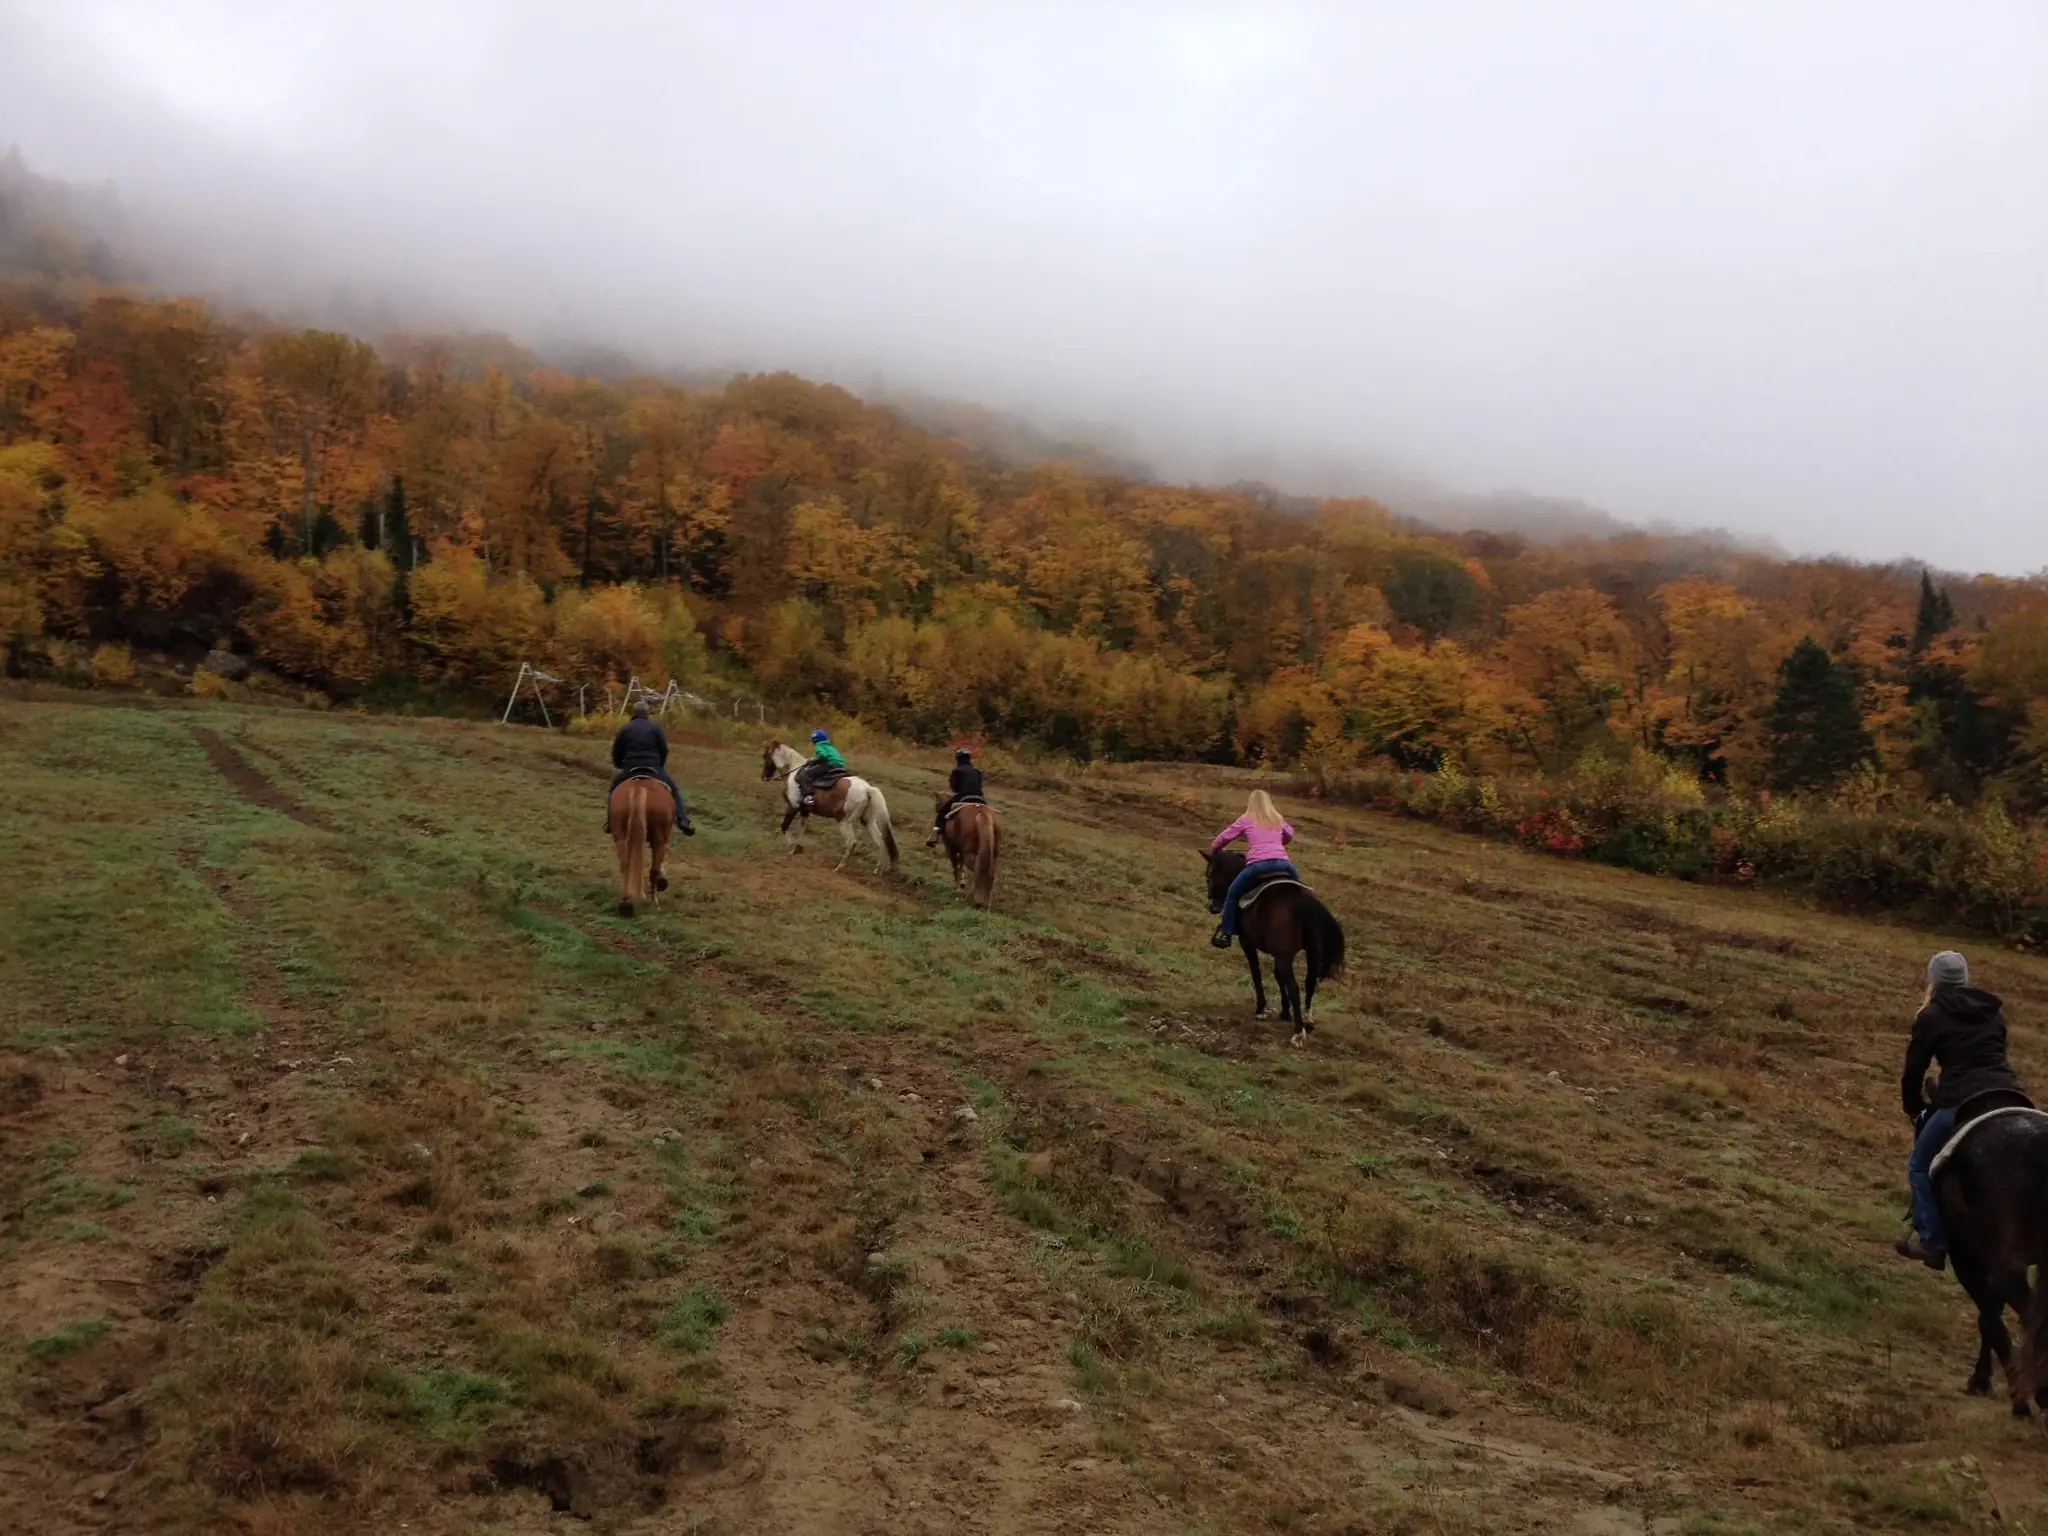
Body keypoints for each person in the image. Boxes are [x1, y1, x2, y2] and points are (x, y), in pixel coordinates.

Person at [1896, 950, 2027, 1269]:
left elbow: (1914, 1070)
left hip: (1961, 1100)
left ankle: (1932, 1241)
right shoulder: (1993, 1011)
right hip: (2012, 1095)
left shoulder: (1931, 1015)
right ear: (1965, 978)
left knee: (1918, 1166)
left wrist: (1913, 1107)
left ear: (1934, 980)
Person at [1209, 790, 1297, 948]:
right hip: (1284, 864)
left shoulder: (1246, 819)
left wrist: (1215, 849)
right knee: (1299, 893)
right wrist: (1278, 842)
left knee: (1232, 894)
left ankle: (1226, 932)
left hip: (1258, 865)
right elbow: (1290, 834)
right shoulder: (1276, 818)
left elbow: (1225, 837)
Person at [605, 700, 693, 835]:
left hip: (630, 767)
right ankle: (683, 820)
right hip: (653, 767)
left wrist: (619, 765)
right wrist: (660, 765)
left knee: (613, 789)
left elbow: (617, 750)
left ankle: (610, 822)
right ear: (647, 713)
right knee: (674, 790)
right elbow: (663, 749)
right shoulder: (656, 728)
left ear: (634, 713)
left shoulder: (625, 728)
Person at [932, 747, 986, 840]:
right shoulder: (977, 771)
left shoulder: (957, 771)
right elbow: (980, 785)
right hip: (979, 798)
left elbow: (954, 787)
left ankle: (936, 834)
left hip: (963, 797)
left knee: (942, 812)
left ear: (958, 759)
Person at [796, 728, 847, 809]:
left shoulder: (818, 745)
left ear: (815, 740)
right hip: (839, 765)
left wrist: (813, 759)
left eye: (812, 741)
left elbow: (823, 755)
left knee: (806, 774)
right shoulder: (830, 746)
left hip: (829, 764)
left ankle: (808, 797)